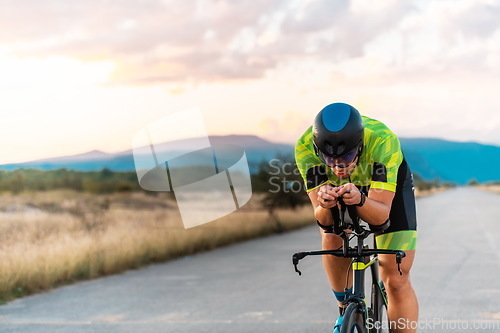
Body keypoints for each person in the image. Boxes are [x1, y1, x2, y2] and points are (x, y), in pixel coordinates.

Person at [294, 102, 418, 333]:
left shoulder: (382, 140)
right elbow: (323, 220)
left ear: (360, 146)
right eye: (329, 159)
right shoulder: (304, 148)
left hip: (387, 189)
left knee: (396, 278)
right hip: (344, 190)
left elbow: (380, 218)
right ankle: (345, 310)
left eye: (348, 155)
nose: (339, 166)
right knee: (331, 236)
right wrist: (324, 203)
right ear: (317, 148)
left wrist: (360, 200)